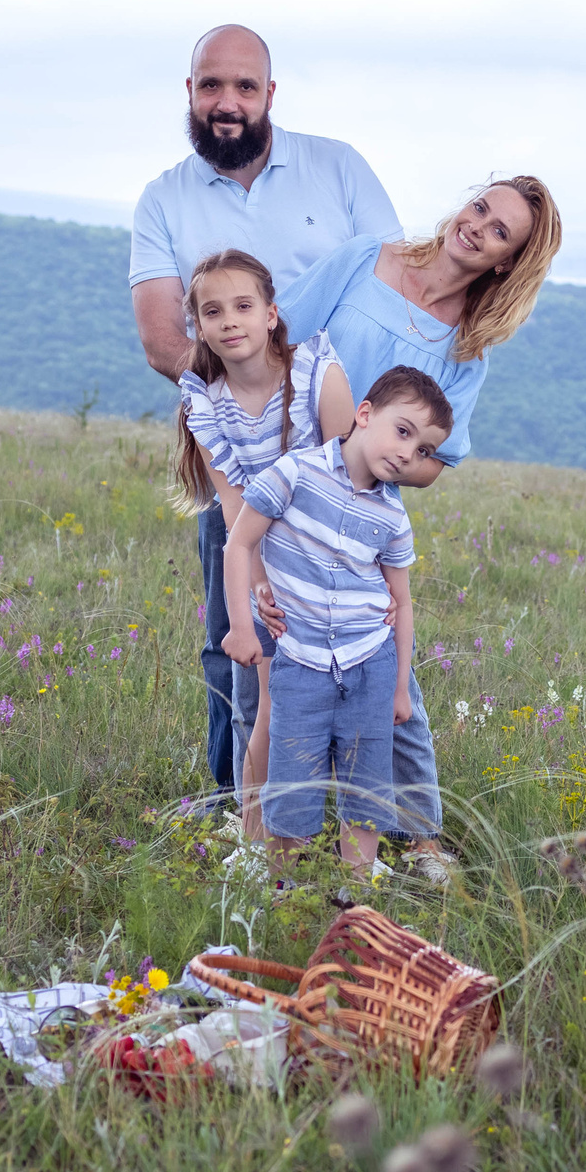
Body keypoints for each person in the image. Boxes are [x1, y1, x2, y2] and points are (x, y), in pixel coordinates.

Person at [129, 24, 401, 804]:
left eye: (245, 87)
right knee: (237, 637)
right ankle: (238, 805)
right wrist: (250, 397)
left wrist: (363, 438)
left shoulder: (338, 169)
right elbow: (159, 337)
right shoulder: (164, 198)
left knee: (360, 638)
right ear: (189, 92)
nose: (227, 102)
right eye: (211, 85)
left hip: (343, 460)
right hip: (237, 463)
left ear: (271, 95)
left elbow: (389, 296)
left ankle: (371, 816)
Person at [264, 177, 563, 875]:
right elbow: (280, 340)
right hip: (287, 486)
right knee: (272, 655)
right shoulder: (369, 259)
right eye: (481, 207)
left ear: (505, 263)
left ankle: (419, 835)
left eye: (498, 233)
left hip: (368, 517)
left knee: (386, 671)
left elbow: (436, 463)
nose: (477, 226)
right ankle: (266, 824)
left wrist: (385, 454)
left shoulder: (466, 350)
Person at [220, 367, 452, 882]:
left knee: (365, 786)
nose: (407, 453)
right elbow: (238, 543)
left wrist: (399, 689)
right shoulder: (295, 473)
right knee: (292, 784)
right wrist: (241, 624)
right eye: (403, 431)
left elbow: (402, 601)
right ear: (364, 414)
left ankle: (354, 896)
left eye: (422, 450)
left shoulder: (392, 516)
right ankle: (285, 895)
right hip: (299, 662)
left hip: (369, 664)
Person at [170, 249, 354, 844]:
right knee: (260, 703)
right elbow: (232, 509)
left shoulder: (316, 373)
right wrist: (258, 588)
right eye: (213, 311)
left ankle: (351, 837)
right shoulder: (207, 403)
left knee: (345, 700)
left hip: (333, 558)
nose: (230, 321)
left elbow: (353, 482)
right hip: (261, 561)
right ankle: (257, 836)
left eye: (244, 306)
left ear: (272, 314)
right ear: (197, 326)